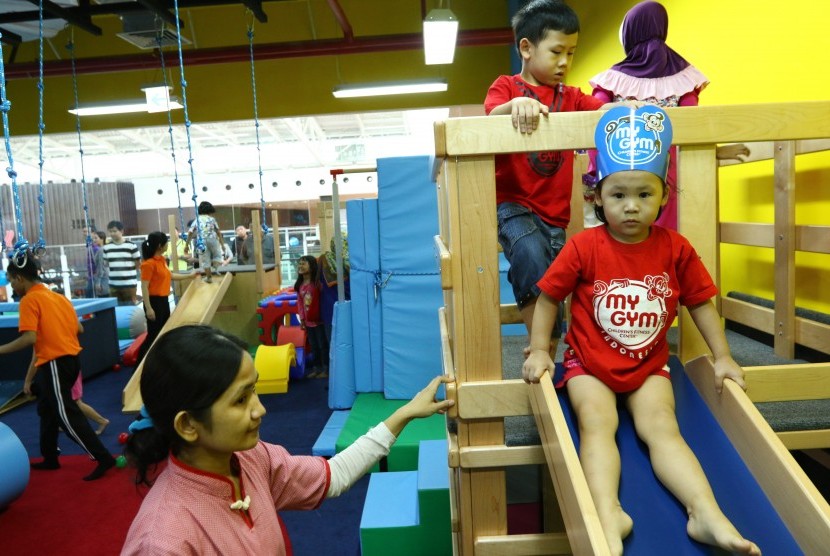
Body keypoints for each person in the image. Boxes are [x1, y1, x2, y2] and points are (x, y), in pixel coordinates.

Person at [523, 106, 760, 555]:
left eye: (643, 195)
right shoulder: (584, 246)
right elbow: (550, 296)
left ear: (663, 196)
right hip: (588, 364)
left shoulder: (675, 248)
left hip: (649, 365)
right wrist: (539, 350)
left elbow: (700, 305)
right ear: (597, 197)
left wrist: (724, 356)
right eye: (618, 195)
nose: (631, 206)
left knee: (663, 427)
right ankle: (607, 511)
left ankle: (704, 513)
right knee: (597, 424)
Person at [121, 324, 453, 554]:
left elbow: (332, 475)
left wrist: (403, 415)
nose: (260, 409)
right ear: (188, 425)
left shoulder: (249, 459)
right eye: (240, 400)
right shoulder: (164, 540)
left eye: (254, 390)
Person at [484, 0, 636, 356]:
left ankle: (551, 347)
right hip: (512, 205)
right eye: (556, 52)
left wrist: (622, 107)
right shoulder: (506, 87)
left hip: (554, 215)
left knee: (556, 279)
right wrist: (513, 108)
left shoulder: (570, 97)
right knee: (530, 254)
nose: (565, 62)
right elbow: (490, 116)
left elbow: (601, 113)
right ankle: (541, 346)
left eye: (571, 53)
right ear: (526, 47)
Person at [583, 0, 750, 229]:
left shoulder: (612, 80)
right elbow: (693, 125)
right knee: (665, 236)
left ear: (630, 35)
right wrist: (712, 152)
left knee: (624, 235)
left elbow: (594, 121)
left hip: (620, 168)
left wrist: (593, 171)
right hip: (667, 173)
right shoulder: (683, 79)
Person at [0, 251, 116, 481]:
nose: (12, 285)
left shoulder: (30, 300)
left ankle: (103, 457)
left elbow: (29, 338)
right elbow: (79, 329)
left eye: (12, 280)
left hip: (54, 362)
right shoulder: (58, 297)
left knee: (66, 414)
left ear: (20, 278)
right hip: (68, 361)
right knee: (47, 409)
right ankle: (50, 457)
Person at [138, 231, 198, 364]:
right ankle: (140, 363)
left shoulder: (162, 260)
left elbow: (170, 275)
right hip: (154, 302)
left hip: (163, 301)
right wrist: (148, 308)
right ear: (160, 245)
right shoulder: (148, 264)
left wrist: (189, 275)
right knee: (153, 335)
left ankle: (158, 361)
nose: (168, 244)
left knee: (163, 333)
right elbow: (144, 287)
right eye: (166, 242)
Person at [295, 255, 328, 378]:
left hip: (318, 320)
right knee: (314, 346)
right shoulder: (300, 285)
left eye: (304, 263)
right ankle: (317, 368)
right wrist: (302, 319)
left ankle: (326, 369)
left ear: (312, 266)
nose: (300, 266)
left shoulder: (316, 283)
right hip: (308, 321)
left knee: (322, 345)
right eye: (299, 264)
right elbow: (299, 302)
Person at [317, 232, 351, 344]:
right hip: (346, 308)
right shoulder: (350, 264)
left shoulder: (324, 260)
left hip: (328, 309)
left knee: (333, 344)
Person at [102, 220, 141, 305]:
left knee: (130, 309)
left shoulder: (131, 245)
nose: (112, 233)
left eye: (115, 231)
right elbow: (106, 264)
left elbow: (138, 263)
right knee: (115, 309)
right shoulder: (106, 248)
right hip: (113, 285)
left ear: (122, 231)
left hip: (129, 285)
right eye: (110, 231)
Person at [187, 201, 224, 283]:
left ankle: (209, 277)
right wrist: (222, 245)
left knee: (205, 260)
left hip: (202, 241)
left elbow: (190, 232)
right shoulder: (212, 219)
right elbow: (218, 232)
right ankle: (215, 268)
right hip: (213, 239)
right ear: (210, 211)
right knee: (217, 256)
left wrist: (186, 245)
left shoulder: (197, 219)